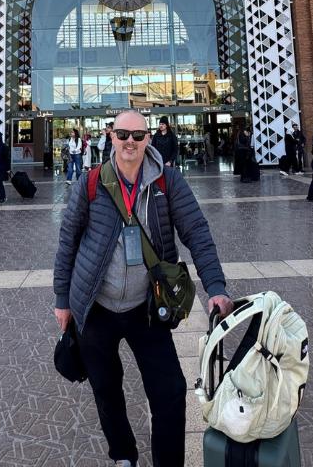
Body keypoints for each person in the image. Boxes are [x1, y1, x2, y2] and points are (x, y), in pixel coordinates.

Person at [53, 109, 233, 467]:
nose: (130, 142)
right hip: (95, 306)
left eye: (137, 135)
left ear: (149, 138)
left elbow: (197, 232)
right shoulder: (90, 183)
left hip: (147, 307)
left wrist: (215, 286)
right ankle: (123, 456)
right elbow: (67, 242)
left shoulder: (168, 182)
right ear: (111, 137)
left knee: (170, 391)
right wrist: (62, 300)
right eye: (122, 135)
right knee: (106, 389)